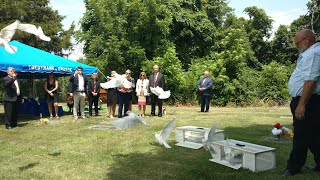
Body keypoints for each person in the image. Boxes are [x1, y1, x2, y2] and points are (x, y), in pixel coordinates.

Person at [282, 29, 320, 177]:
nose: (297, 46)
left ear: (307, 39)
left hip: (307, 101)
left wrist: (301, 104)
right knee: (314, 135)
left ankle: (294, 167)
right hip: (309, 101)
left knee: (301, 135)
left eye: (297, 43)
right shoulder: (311, 53)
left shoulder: (313, 53)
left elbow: (310, 81)